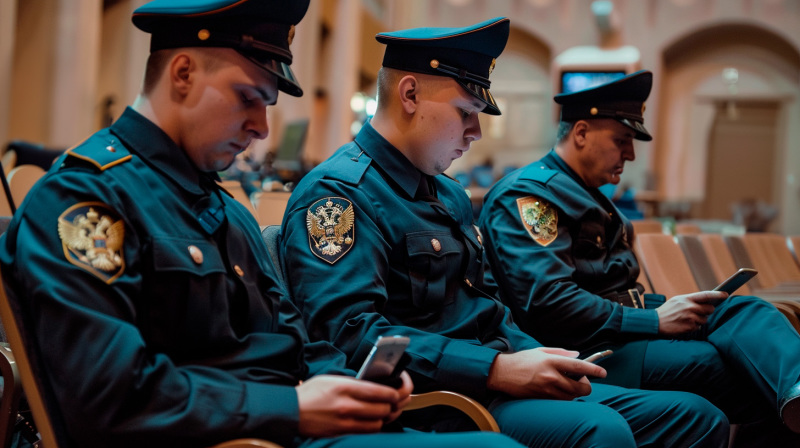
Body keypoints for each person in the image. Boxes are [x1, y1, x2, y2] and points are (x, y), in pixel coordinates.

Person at [0, 2, 527, 448]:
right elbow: (107, 395)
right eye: (248, 97)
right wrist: (293, 406)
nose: (261, 128)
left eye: (268, 104)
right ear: (182, 74)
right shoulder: (84, 200)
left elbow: (296, 340)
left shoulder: (222, 205)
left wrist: (350, 388)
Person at [281, 19, 728, 448]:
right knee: (601, 430)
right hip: (439, 399)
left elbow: (490, 308)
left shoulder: (448, 193)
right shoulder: (338, 195)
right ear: (410, 93)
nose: (476, 132)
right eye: (466, 113)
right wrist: (495, 367)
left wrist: (541, 358)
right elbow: (351, 335)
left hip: (499, 377)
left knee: (696, 417)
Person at [477, 70, 800, 445]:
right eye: (622, 140)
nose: (630, 154)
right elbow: (549, 303)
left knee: (743, 310)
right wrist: (653, 321)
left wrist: (666, 311)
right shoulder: (533, 196)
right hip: (588, 348)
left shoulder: (585, 192)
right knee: (738, 372)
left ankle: (796, 387)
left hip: (625, 326)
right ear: (580, 133)